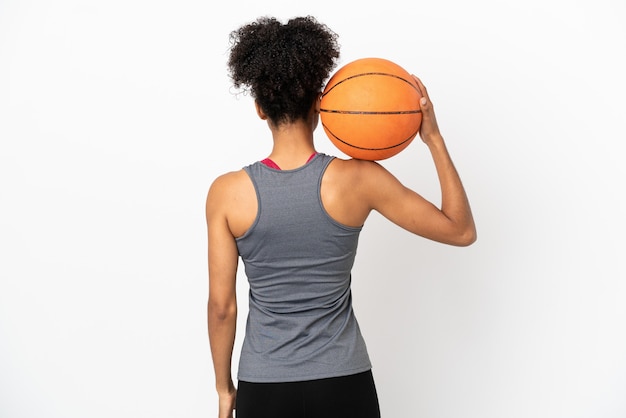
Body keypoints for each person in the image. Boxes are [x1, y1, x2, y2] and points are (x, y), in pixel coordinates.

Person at [206, 15, 476, 418]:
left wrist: (225, 390)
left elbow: (222, 307)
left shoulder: (226, 193)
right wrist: (432, 137)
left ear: (260, 108)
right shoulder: (359, 179)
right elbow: (461, 230)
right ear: (318, 101)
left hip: (265, 388)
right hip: (343, 385)